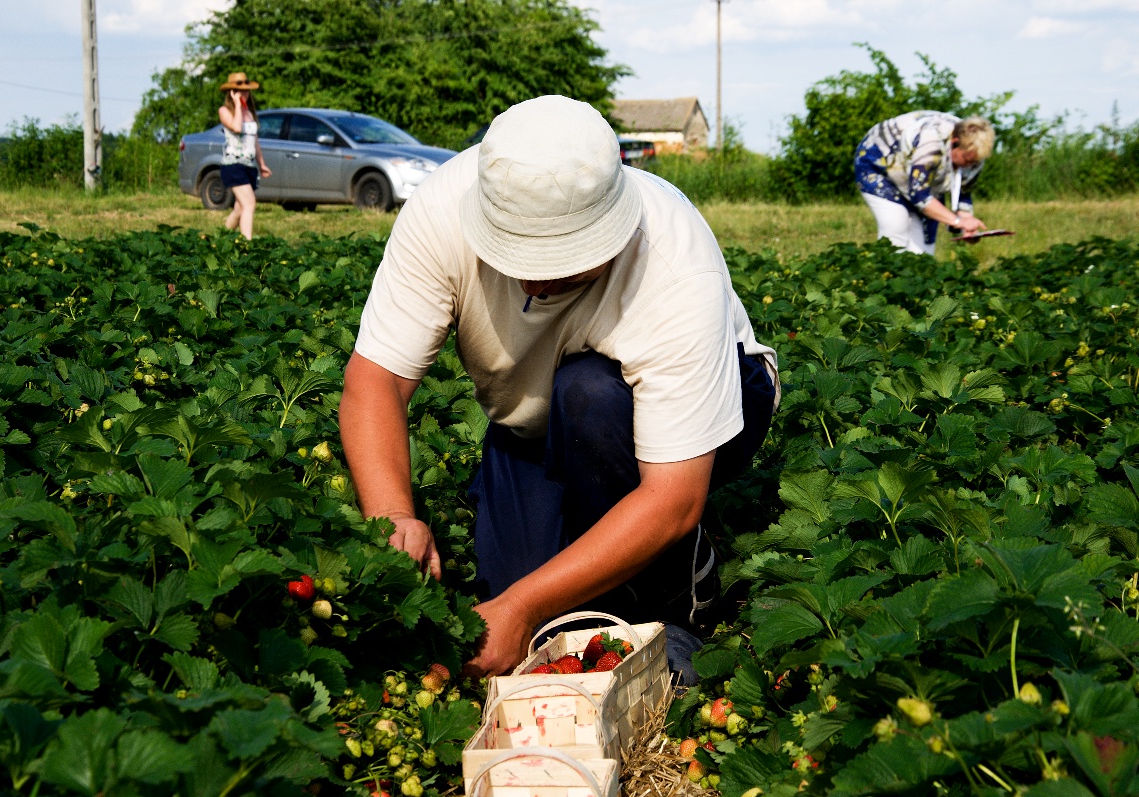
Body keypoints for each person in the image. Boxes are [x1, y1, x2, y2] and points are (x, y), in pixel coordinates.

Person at [338, 95, 779, 681]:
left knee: (589, 397)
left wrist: (526, 606)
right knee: (515, 616)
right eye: (518, 254)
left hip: (715, 402)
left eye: (566, 262)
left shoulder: (671, 257)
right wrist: (394, 515)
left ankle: (675, 597)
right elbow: (377, 380)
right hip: (535, 418)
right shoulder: (442, 209)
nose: (537, 280)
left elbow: (672, 497)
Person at [855, 111, 995, 255]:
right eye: (966, 159)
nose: (969, 166)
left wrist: (967, 223)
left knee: (925, 244)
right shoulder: (930, 142)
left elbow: (963, 192)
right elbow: (920, 197)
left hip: (925, 176)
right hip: (879, 164)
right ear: (955, 143)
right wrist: (957, 221)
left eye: (974, 162)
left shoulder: (975, 153)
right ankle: (886, 273)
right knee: (896, 225)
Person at [217, 72, 271, 240]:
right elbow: (237, 128)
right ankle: (247, 246)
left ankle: (221, 239)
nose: (244, 94)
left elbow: (254, 141)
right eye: (240, 91)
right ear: (231, 92)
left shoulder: (250, 113)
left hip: (249, 165)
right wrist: (238, 106)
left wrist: (261, 164)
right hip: (233, 164)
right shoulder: (225, 111)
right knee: (250, 204)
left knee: (240, 209)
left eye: (247, 91)